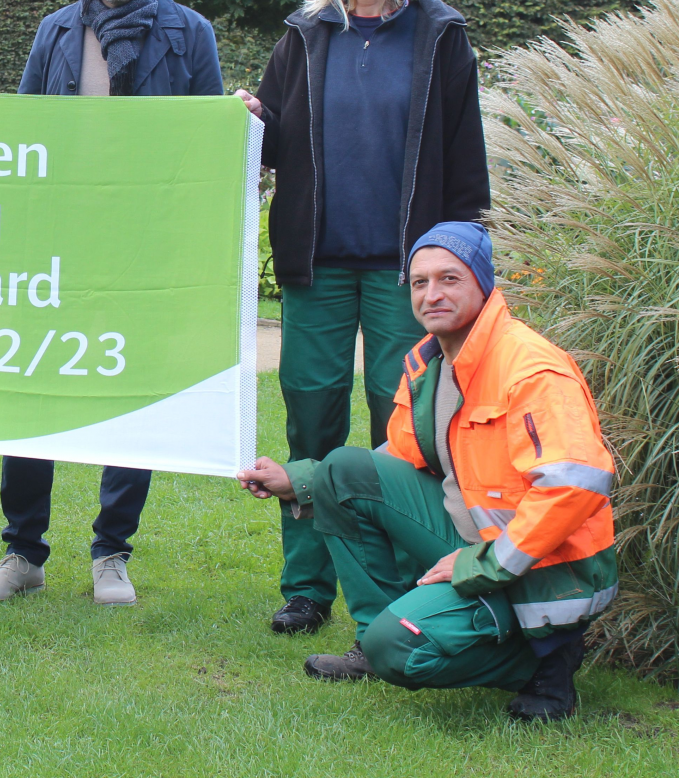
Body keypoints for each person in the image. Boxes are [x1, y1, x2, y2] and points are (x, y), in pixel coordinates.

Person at [235, 0, 489, 635]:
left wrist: (460, 257)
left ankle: (408, 581)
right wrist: (252, 121)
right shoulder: (305, 36)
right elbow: (274, 142)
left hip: (405, 270)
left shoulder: (441, 36)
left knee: (400, 425)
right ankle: (306, 587)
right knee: (311, 420)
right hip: (315, 265)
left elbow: (465, 161)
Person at [235, 224, 616, 722]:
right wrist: (301, 479)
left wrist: (480, 564)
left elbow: (573, 486)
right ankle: (374, 641)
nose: (431, 294)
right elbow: (398, 457)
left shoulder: (531, 369)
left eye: (449, 279)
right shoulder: (429, 360)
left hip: (545, 572)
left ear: (484, 283)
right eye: (419, 282)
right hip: (474, 540)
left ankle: (545, 660)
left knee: (403, 650)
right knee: (341, 469)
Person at [0, 0, 224, 608]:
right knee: (31, 390)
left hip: (142, 249)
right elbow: (21, 140)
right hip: (54, 246)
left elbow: (209, 144)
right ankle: (23, 552)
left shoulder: (189, 34)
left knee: (128, 393)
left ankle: (111, 551)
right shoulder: (54, 33)